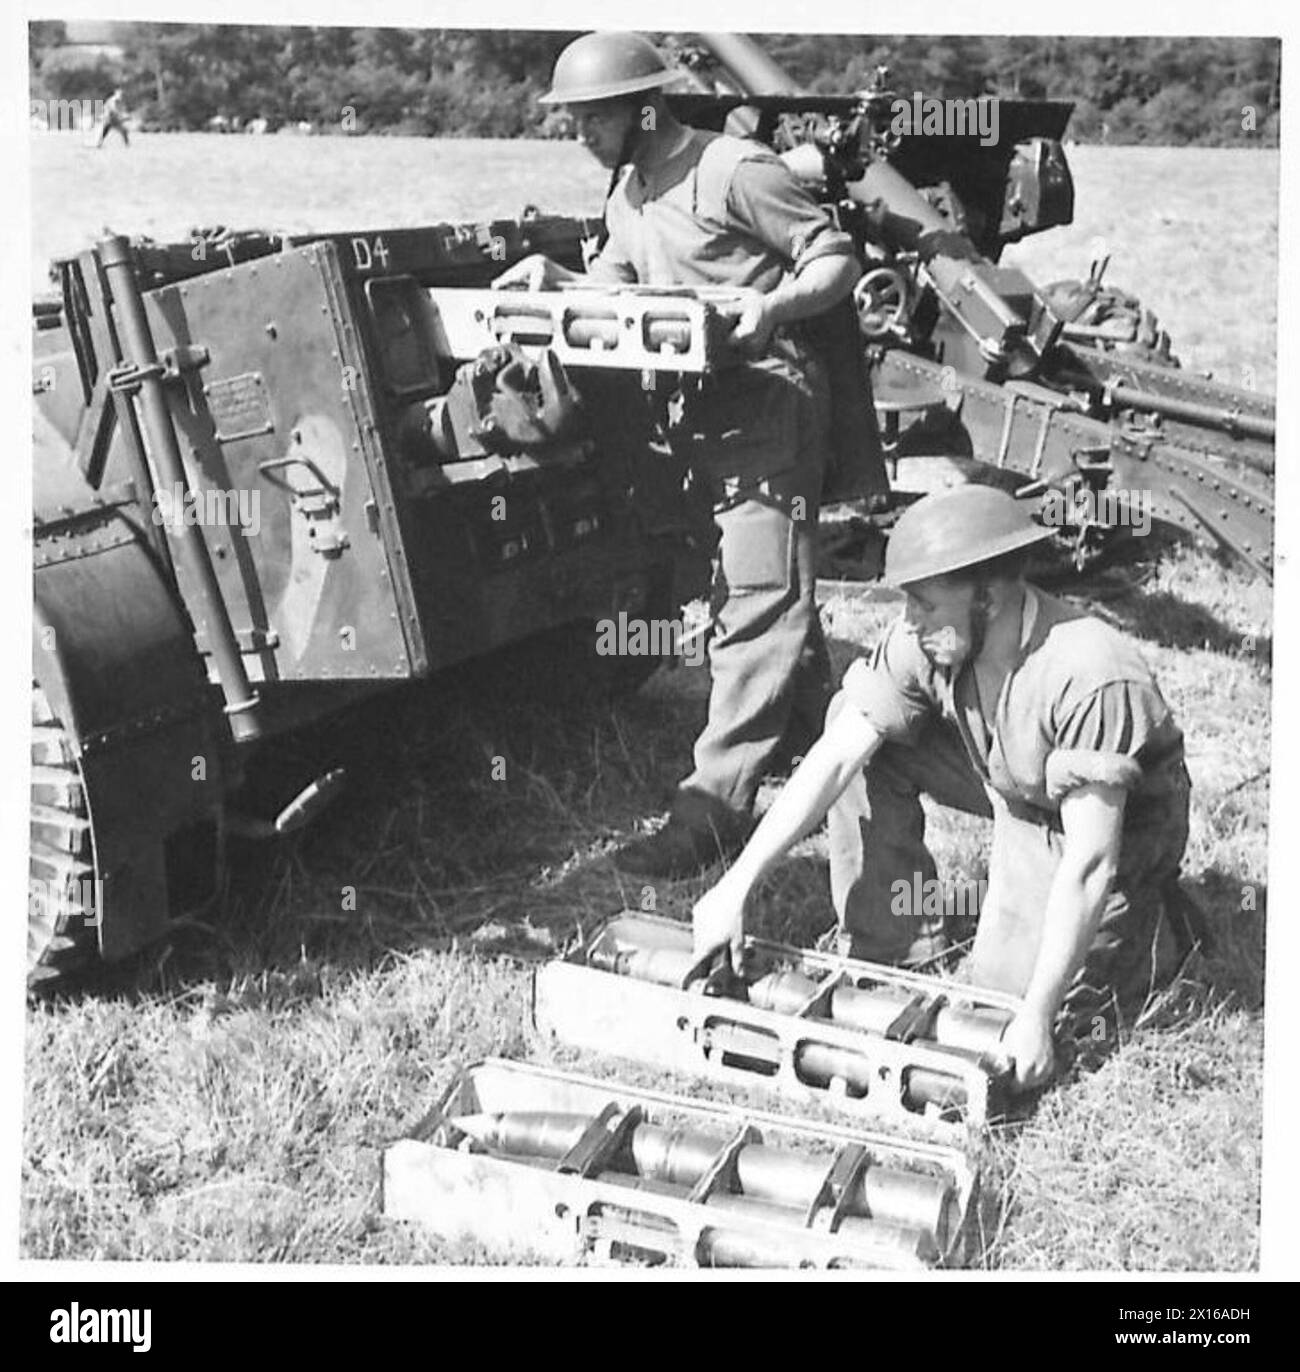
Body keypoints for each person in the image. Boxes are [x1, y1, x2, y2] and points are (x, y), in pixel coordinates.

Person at [494, 30, 882, 879]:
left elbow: (835, 258)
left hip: (768, 409)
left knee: (756, 601)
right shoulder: (628, 190)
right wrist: (557, 284)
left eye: (590, 119)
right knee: (762, 588)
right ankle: (829, 743)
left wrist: (770, 308)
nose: (579, 136)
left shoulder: (735, 170)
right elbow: (621, 283)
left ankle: (711, 811)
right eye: (572, 121)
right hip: (692, 421)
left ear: (643, 108)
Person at [692, 484, 1195, 1090]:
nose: (910, 621)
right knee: (853, 727)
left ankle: (1161, 934)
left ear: (991, 596)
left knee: (1014, 1005)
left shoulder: (1090, 673)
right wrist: (734, 887)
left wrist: (1036, 1016)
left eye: (927, 605)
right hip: (1014, 782)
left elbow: (1090, 861)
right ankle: (893, 943)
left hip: (1112, 826)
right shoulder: (932, 638)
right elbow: (833, 759)